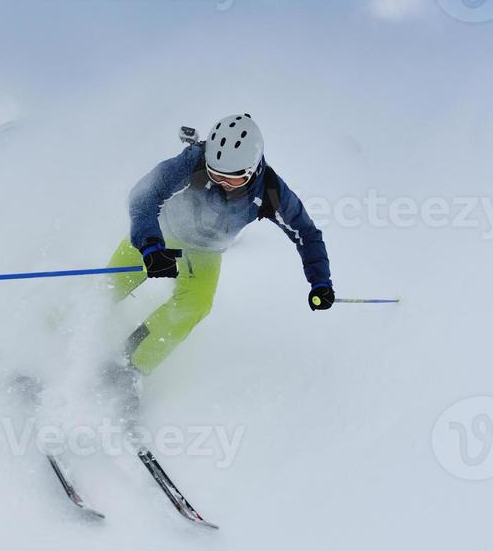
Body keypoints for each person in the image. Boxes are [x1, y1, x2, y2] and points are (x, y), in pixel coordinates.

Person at [106, 113, 334, 380]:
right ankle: (56, 332)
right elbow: (144, 194)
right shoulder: (195, 160)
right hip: (162, 233)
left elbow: (306, 233)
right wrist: (151, 245)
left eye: (231, 178)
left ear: (252, 170)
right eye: (215, 174)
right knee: (110, 285)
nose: (220, 183)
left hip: (205, 253)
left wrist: (320, 282)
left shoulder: (271, 192)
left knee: (195, 305)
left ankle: (128, 368)